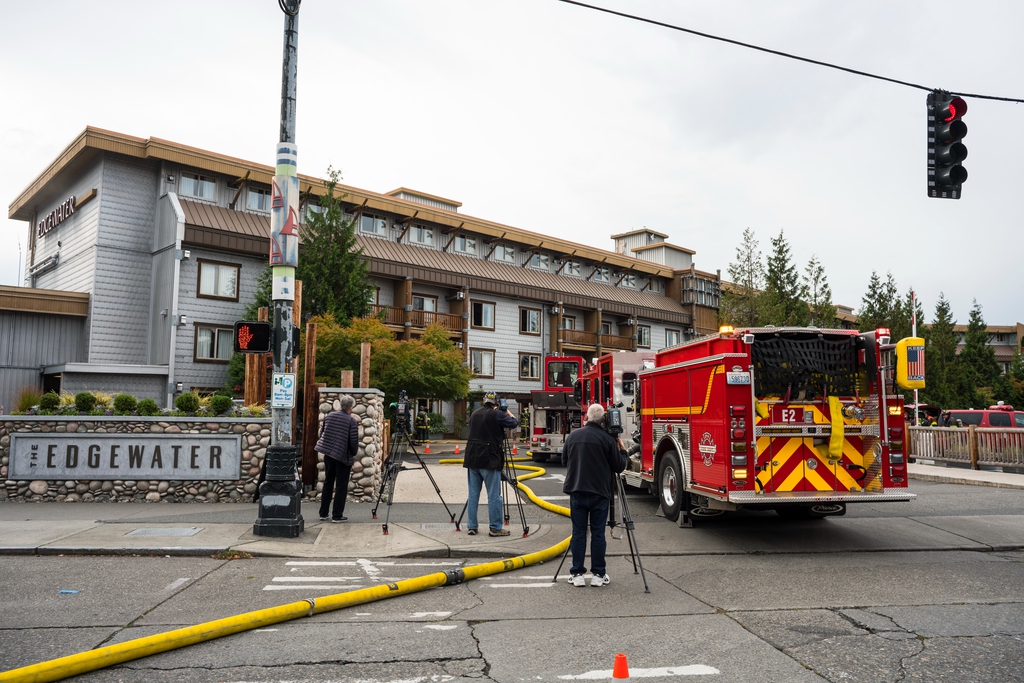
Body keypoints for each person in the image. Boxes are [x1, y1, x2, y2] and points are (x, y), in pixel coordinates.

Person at [561, 403, 627, 587]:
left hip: (577, 491)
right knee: (598, 534)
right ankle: (598, 574)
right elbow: (619, 467)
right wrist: (623, 451)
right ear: (604, 419)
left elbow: (564, 460)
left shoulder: (573, 436)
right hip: (600, 493)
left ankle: (577, 574)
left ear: (586, 417)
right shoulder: (607, 439)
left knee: (578, 533)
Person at [463, 393, 518, 537]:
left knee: (473, 494)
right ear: (497, 403)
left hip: (472, 458)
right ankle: (495, 527)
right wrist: (507, 412)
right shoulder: (497, 414)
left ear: (484, 401)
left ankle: (472, 526)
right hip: (490, 459)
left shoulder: (474, 413)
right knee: (494, 495)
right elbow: (513, 423)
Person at [315, 395, 360, 522]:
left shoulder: (329, 416)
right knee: (341, 485)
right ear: (351, 406)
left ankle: (323, 513)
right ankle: (337, 515)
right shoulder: (351, 421)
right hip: (342, 456)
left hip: (329, 454)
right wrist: (353, 453)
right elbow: (353, 441)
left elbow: (322, 432)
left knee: (328, 483)